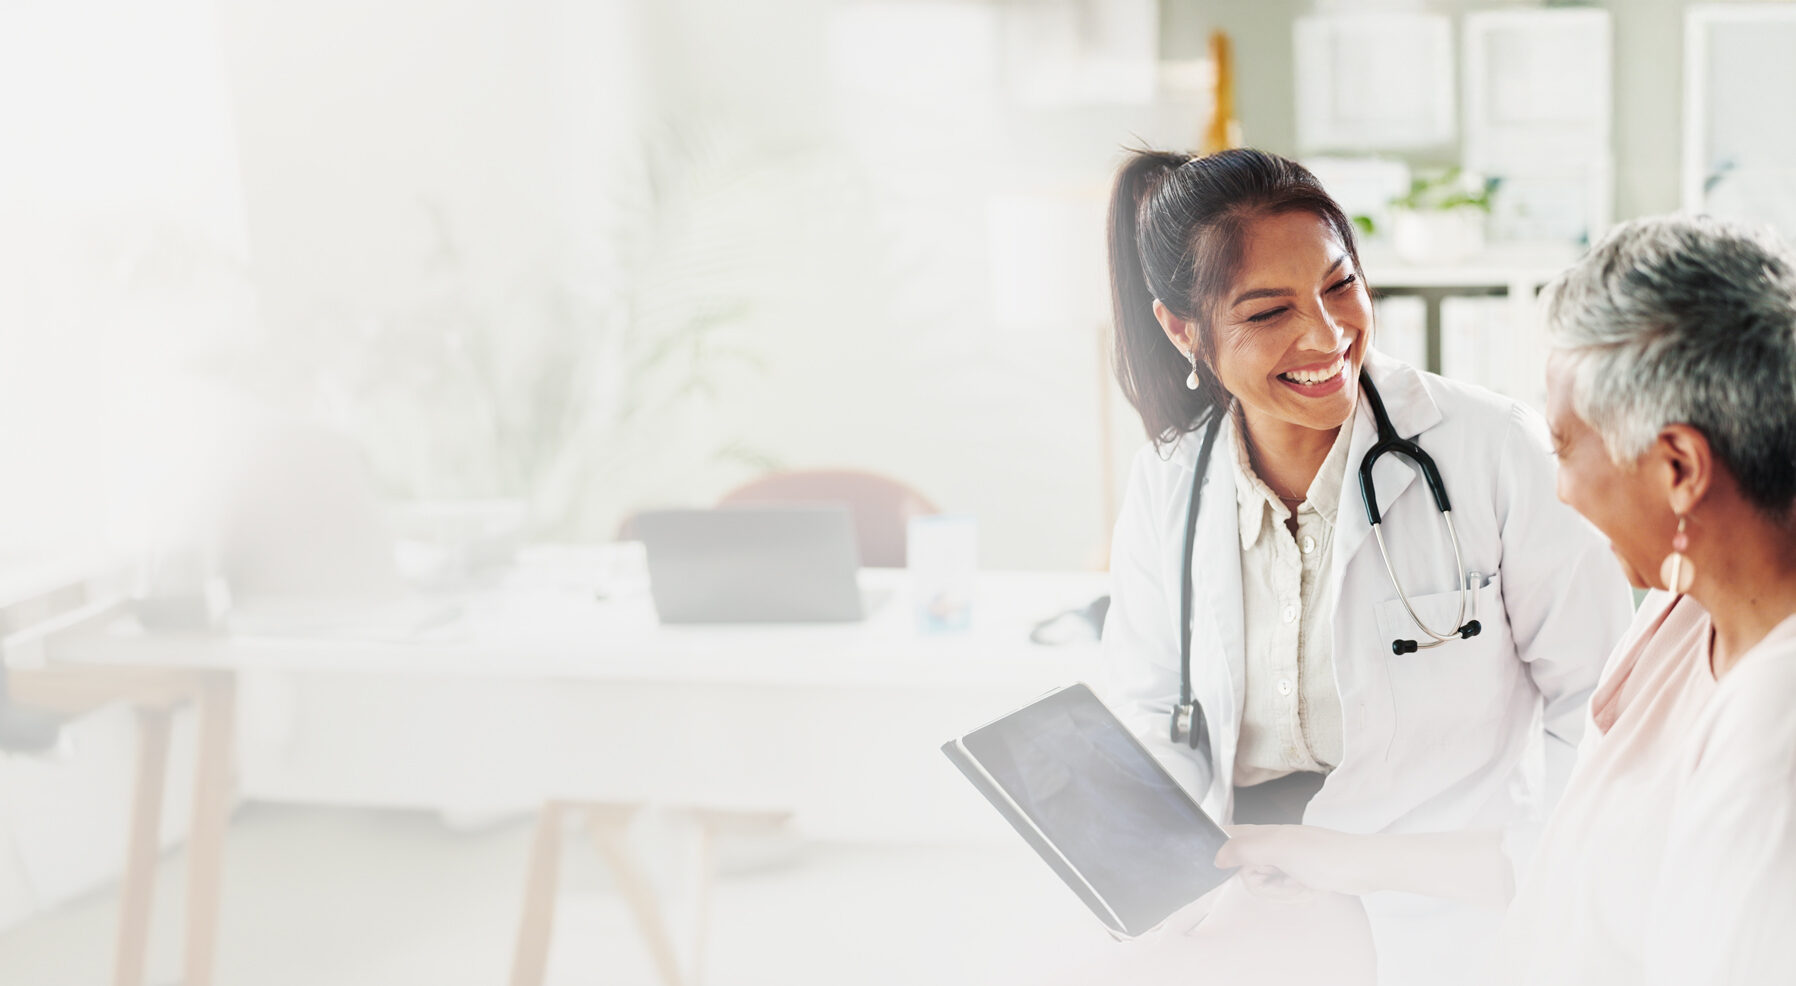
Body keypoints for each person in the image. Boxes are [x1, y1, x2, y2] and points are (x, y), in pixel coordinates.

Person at [1098, 147, 1633, 985]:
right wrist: (1163, 888)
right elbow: (1144, 707)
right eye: (1270, 311)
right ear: (1183, 330)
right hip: (1238, 894)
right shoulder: (1169, 479)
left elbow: (1604, 705)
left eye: (1340, 285)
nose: (1327, 333)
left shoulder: (1492, 450)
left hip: (1441, 903)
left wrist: (1528, 867)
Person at [1500, 214, 1796, 985]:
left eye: (1564, 448)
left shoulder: (1777, 725)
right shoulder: (1686, 598)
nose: (1560, 492)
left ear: (1678, 468)